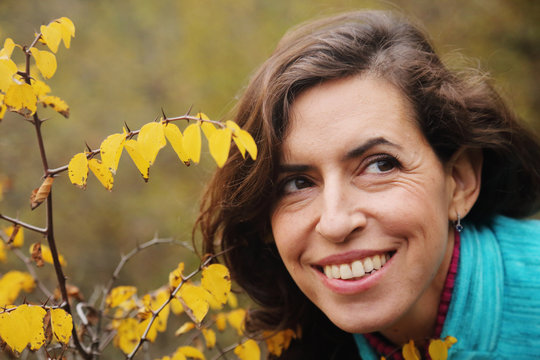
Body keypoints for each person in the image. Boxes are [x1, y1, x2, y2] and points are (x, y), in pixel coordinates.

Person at [197, 10, 540, 359]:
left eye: (379, 165)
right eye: (296, 183)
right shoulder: (295, 344)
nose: (336, 223)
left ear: (459, 181)